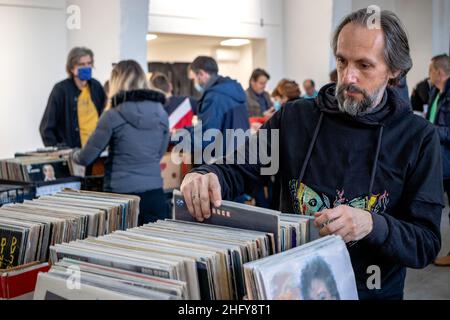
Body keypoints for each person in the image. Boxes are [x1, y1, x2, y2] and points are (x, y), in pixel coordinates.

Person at [180, 9, 443, 300]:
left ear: (394, 71)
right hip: (292, 288)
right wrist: (207, 174)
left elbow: (425, 243)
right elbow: (239, 168)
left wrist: (371, 224)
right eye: (342, 61)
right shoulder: (294, 118)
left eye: (364, 65)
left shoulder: (418, 138)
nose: (349, 77)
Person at [72, 60, 170, 225]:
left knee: (121, 249)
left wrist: (72, 154)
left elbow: (86, 158)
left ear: (116, 81)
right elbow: (159, 153)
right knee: (153, 248)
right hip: (154, 195)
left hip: (121, 197)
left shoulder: (112, 115)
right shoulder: (161, 112)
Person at [183, 56, 249, 163]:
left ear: (201, 74)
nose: (194, 82)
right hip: (240, 157)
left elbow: (207, 138)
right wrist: (187, 130)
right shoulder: (232, 91)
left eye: (194, 78)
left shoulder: (215, 96)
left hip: (223, 162)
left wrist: (177, 137)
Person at [40, 47, 106, 148]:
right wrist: (59, 153)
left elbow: (105, 116)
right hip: (74, 155)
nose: (87, 67)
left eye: (89, 63)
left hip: (97, 151)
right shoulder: (61, 90)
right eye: (81, 64)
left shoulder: (96, 86)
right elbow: (46, 128)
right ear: (71, 68)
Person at [428, 54, 450, 267]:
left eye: (430, 70)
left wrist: (430, 130)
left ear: (439, 72)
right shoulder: (436, 92)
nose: (429, 74)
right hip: (439, 161)